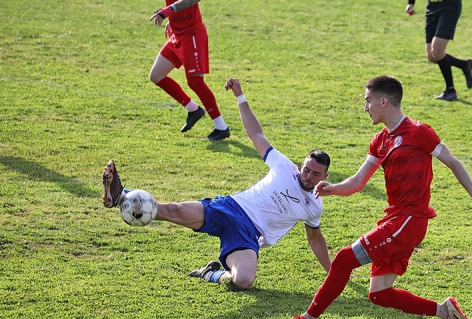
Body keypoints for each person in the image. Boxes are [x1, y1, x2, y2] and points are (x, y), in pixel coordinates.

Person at [272, 76, 472, 319]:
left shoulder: (419, 132)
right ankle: (444, 311)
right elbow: (358, 181)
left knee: (343, 259)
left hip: (409, 220)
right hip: (395, 220)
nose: (365, 107)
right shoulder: (380, 141)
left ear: (384, 101)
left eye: (368, 101)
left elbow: (454, 163)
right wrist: (332, 189)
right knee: (379, 294)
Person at [102, 78, 331, 289]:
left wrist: (332, 273)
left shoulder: (314, 206)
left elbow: (315, 240)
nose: (308, 176)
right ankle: (120, 196)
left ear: (324, 177)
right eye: (306, 169)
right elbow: (255, 133)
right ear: (301, 165)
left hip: (248, 234)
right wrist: (240, 96)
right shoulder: (284, 167)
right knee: (173, 210)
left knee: (243, 280)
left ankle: (210, 273)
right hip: (230, 207)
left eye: (315, 174)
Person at [148, 0, 229, 141]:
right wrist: (171, 20)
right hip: (177, 34)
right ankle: (193, 109)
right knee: (156, 75)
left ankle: (221, 127)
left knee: (195, 82)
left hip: (192, 35)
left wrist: (168, 11)